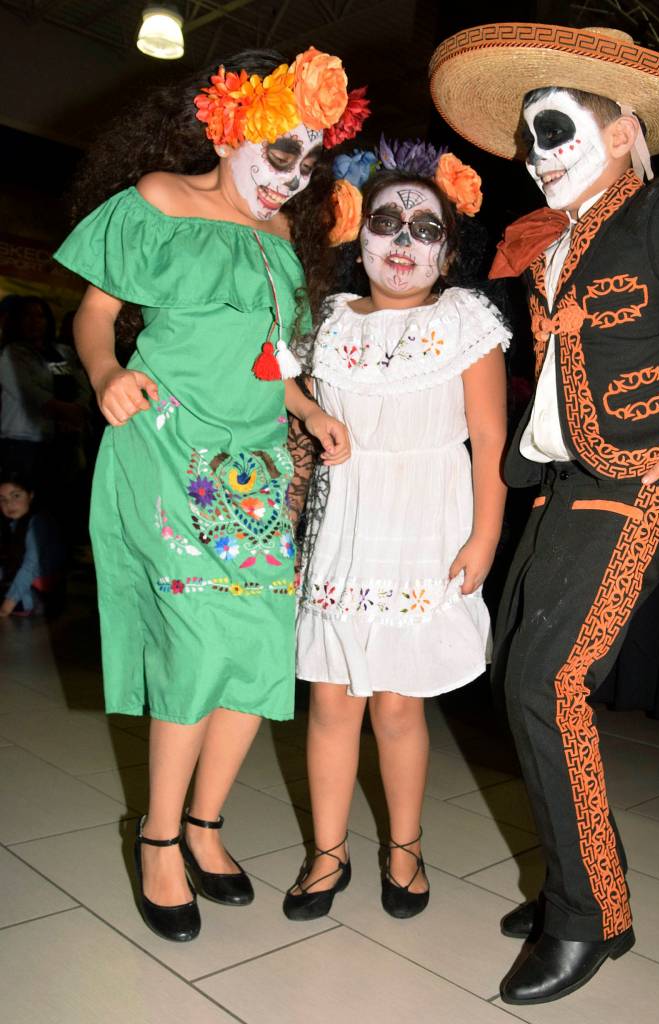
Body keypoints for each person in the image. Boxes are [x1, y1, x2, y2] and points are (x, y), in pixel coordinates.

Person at [429, 24, 659, 1004]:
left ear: (622, 129)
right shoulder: (558, 239)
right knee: (518, 672)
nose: (537, 151)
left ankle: (584, 915)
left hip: (636, 477)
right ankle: (579, 879)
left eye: (556, 129)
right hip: (557, 477)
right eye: (527, 135)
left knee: (548, 685)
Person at [53, 47, 369, 943]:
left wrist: (310, 410)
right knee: (195, 643)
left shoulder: (281, 244)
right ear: (231, 126)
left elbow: (278, 362)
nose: (293, 180)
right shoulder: (159, 199)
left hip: (255, 464)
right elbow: (94, 313)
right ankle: (157, 839)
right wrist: (107, 370)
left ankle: (205, 826)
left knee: (258, 644)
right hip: (164, 442)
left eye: (309, 163)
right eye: (280, 155)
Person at [282, 139, 510, 921]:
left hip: (425, 528)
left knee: (398, 707)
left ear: (449, 252)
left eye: (425, 229)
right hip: (346, 525)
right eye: (387, 223)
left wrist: (485, 537)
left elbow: (489, 442)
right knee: (332, 702)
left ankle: (404, 849)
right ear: (357, 237)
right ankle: (327, 854)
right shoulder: (331, 322)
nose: (404, 243)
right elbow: (289, 399)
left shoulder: (466, 321)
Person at [0, 295, 89, 496]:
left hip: (64, 441)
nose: (34, 321)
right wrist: (70, 411)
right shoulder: (12, 353)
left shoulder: (64, 352)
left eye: (40, 316)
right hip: (23, 443)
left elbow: (83, 385)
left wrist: (80, 408)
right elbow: (29, 393)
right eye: (27, 316)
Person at [0, 470, 65, 617]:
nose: (9, 504)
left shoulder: (39, 523)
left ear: (31, 495)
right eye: (2, 499)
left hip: (42, 595)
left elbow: (30, 567)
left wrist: (5, 608)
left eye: (16, 495)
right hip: (29, 589)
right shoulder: (16, 524)